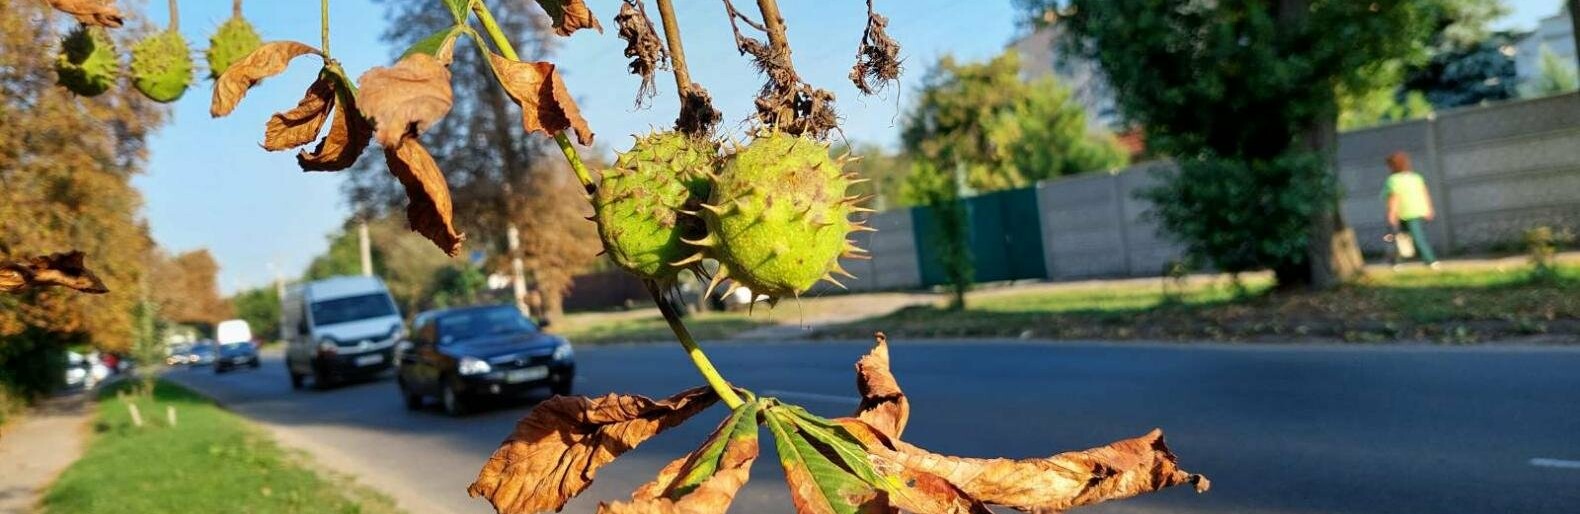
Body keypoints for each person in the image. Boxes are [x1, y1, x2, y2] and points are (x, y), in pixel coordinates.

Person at [1381, 151, 1439, 270]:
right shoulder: (1416, 177)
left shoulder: (1393, 180)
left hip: (1402, 212)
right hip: (1418, 210)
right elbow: (1424, 193)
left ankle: (1430, 260)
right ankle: (1399, 261)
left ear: (1392, 166)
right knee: (1410, 237)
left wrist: (1391, 214)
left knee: (1397, 238)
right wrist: (1429, 208)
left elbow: (1394, 198)